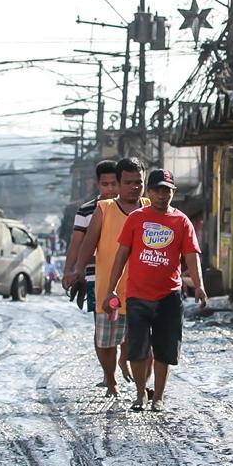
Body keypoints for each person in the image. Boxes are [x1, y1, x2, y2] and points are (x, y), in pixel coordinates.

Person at [103, 168, 207, 412]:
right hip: (138, 295)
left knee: (165, 350)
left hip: (169, 297)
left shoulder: (181, 221)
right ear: (149, 192)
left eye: (167, 190)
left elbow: (191, 256)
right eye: (158, 190)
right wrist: (111, 289)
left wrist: (199, 286)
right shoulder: (136, 219)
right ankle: (141, 394)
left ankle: (158, 396)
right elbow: (121, 256)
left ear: (173, 193)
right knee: (137, 349)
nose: (162, 195)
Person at [70, 158, 150, 397]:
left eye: (139, 182)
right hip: (110, 289)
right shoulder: (103, 210)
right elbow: (87, 243)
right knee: (106, 342)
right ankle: (111, 380)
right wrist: (78, 270)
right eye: (128, 182)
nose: (134, 187)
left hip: (144, 290)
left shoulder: (150, 207)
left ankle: (141, 389)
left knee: (145, 344)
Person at [62, 160, 132, 382]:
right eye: (105, 184)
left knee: (131, 324)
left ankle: (124, 358)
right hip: (96, 276)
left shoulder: (136, 206)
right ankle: (108, 375)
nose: (110, 189)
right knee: (102, 326)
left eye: (114, 183)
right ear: (97, 184)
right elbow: (77, 243)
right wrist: (70, 270)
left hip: (130, 275)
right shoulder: (87, 210)